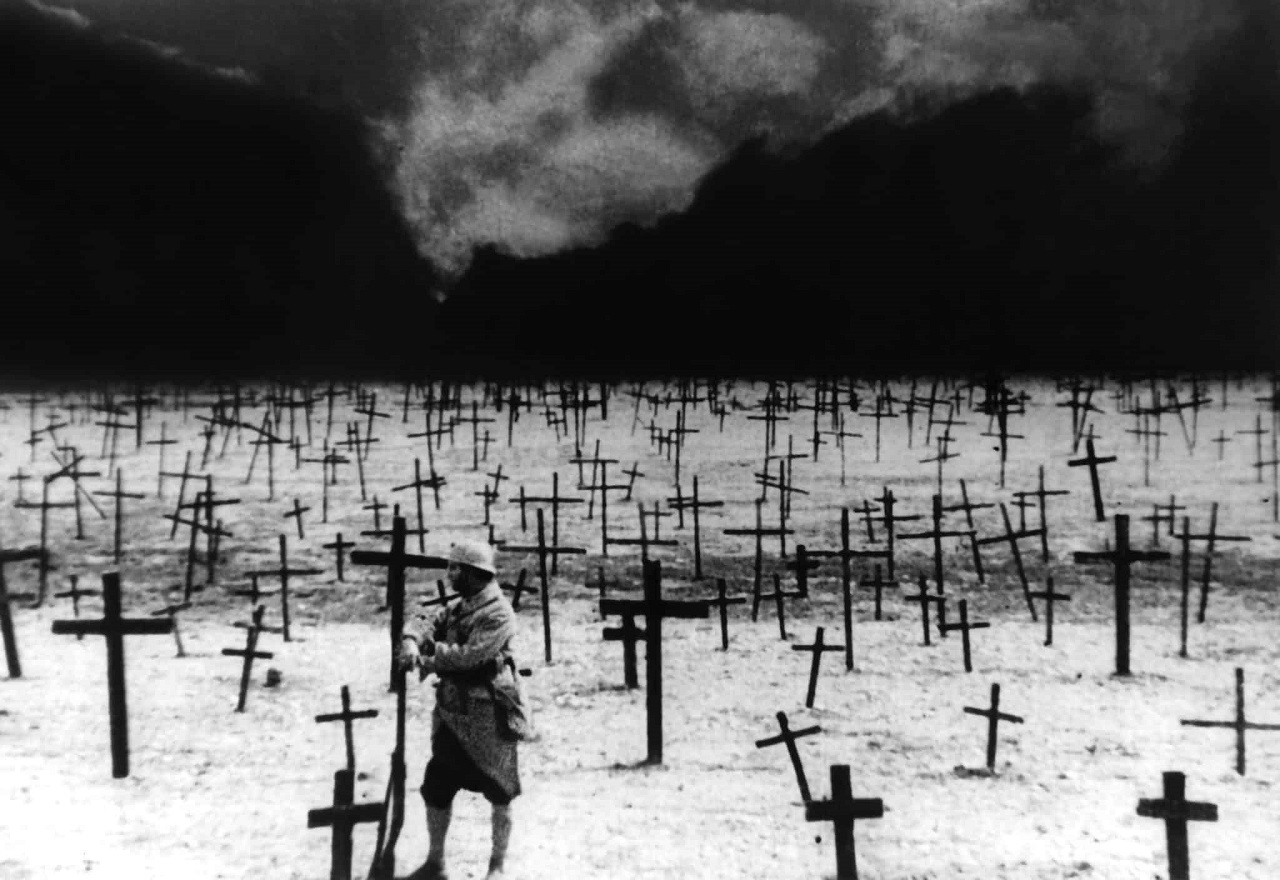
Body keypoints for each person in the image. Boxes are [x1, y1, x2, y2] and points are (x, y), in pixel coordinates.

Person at [398, 539, 521, 880]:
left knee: (499, 788)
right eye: (450, 567)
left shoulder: (497, 612)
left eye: (456, 569)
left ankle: (497, 866)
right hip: (453, 712)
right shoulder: (460, 606)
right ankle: (436, 863)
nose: (450, 574)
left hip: (488, 712)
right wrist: (410, 639)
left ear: (476, 573)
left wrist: (425, 656)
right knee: (437, 785)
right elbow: (426, 619)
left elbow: (471, 656)